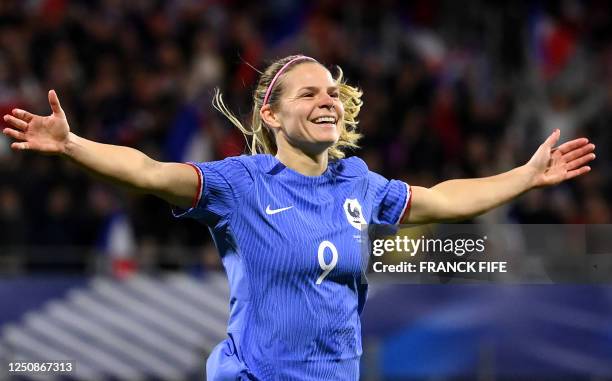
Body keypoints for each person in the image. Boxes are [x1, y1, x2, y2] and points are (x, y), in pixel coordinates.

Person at [2, 54, 596, 380]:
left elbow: (443, 198)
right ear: (272, 116)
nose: (327, 101)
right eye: (309, 94)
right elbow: (150, 171)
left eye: (332, 93)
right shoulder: (239, 184)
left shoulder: (359, 182)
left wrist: (526, 175)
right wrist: (74, 144)